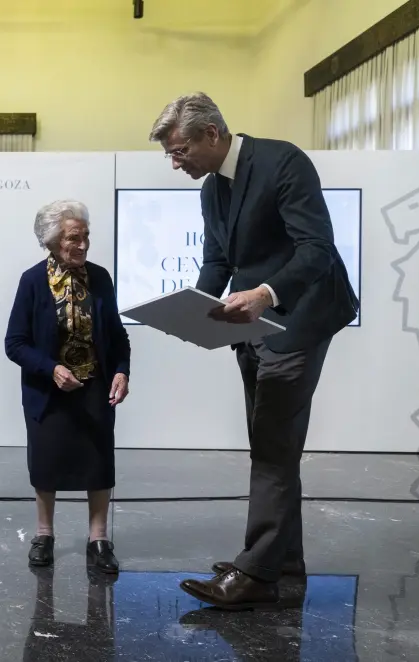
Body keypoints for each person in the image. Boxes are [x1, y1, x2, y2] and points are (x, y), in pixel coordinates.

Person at [149, 93, 359, 608]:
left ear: (212, 135)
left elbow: (317, 249)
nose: (176, 163)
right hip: (253, 325)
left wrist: (265, 293)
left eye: (179, 151)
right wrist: (193, 306)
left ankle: (256, 575)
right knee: (273, 444)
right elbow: (218, 260)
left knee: (271, 445)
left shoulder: (283, 161)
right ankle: (282, 563)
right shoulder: (213, 190)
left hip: (302, 316)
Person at [4, 200, 131, 572]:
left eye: (86, 236)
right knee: (46, 463)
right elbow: (15, 343)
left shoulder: (101, 278)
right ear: (52, 240)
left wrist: (121, 371)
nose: (83, 244)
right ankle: (44, 535)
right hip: (49, 390)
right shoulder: (32, 281)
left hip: (95, 385)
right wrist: (51, 368)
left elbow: (117, 337)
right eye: (74, 238)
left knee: (98, 464)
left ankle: (99, 539)